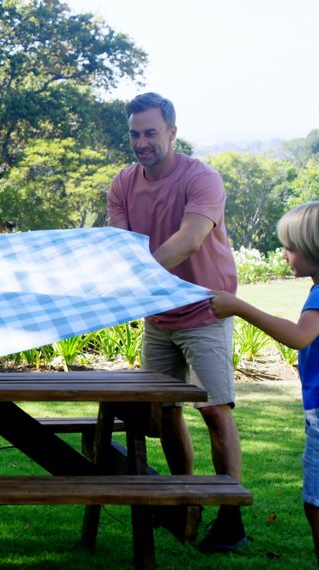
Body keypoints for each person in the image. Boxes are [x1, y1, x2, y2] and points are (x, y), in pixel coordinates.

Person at [107, 92, 247, 551]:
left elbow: (188, 241)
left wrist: (136, 281)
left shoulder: (202, 179)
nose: (141, 142)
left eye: (150, 132)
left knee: (214, 409)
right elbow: (122, 250)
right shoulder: (123, 184)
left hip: (207, 309)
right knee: (164, 412)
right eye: (134, 134)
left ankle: (230, 518)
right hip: (158, 315)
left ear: (171, 131)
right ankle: (183, 499)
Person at [209, 201, 319, 570]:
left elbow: (300, 336)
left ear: (315, 249)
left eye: (290, 247)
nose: (285, 255)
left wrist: (239, 307)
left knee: (318, 508)